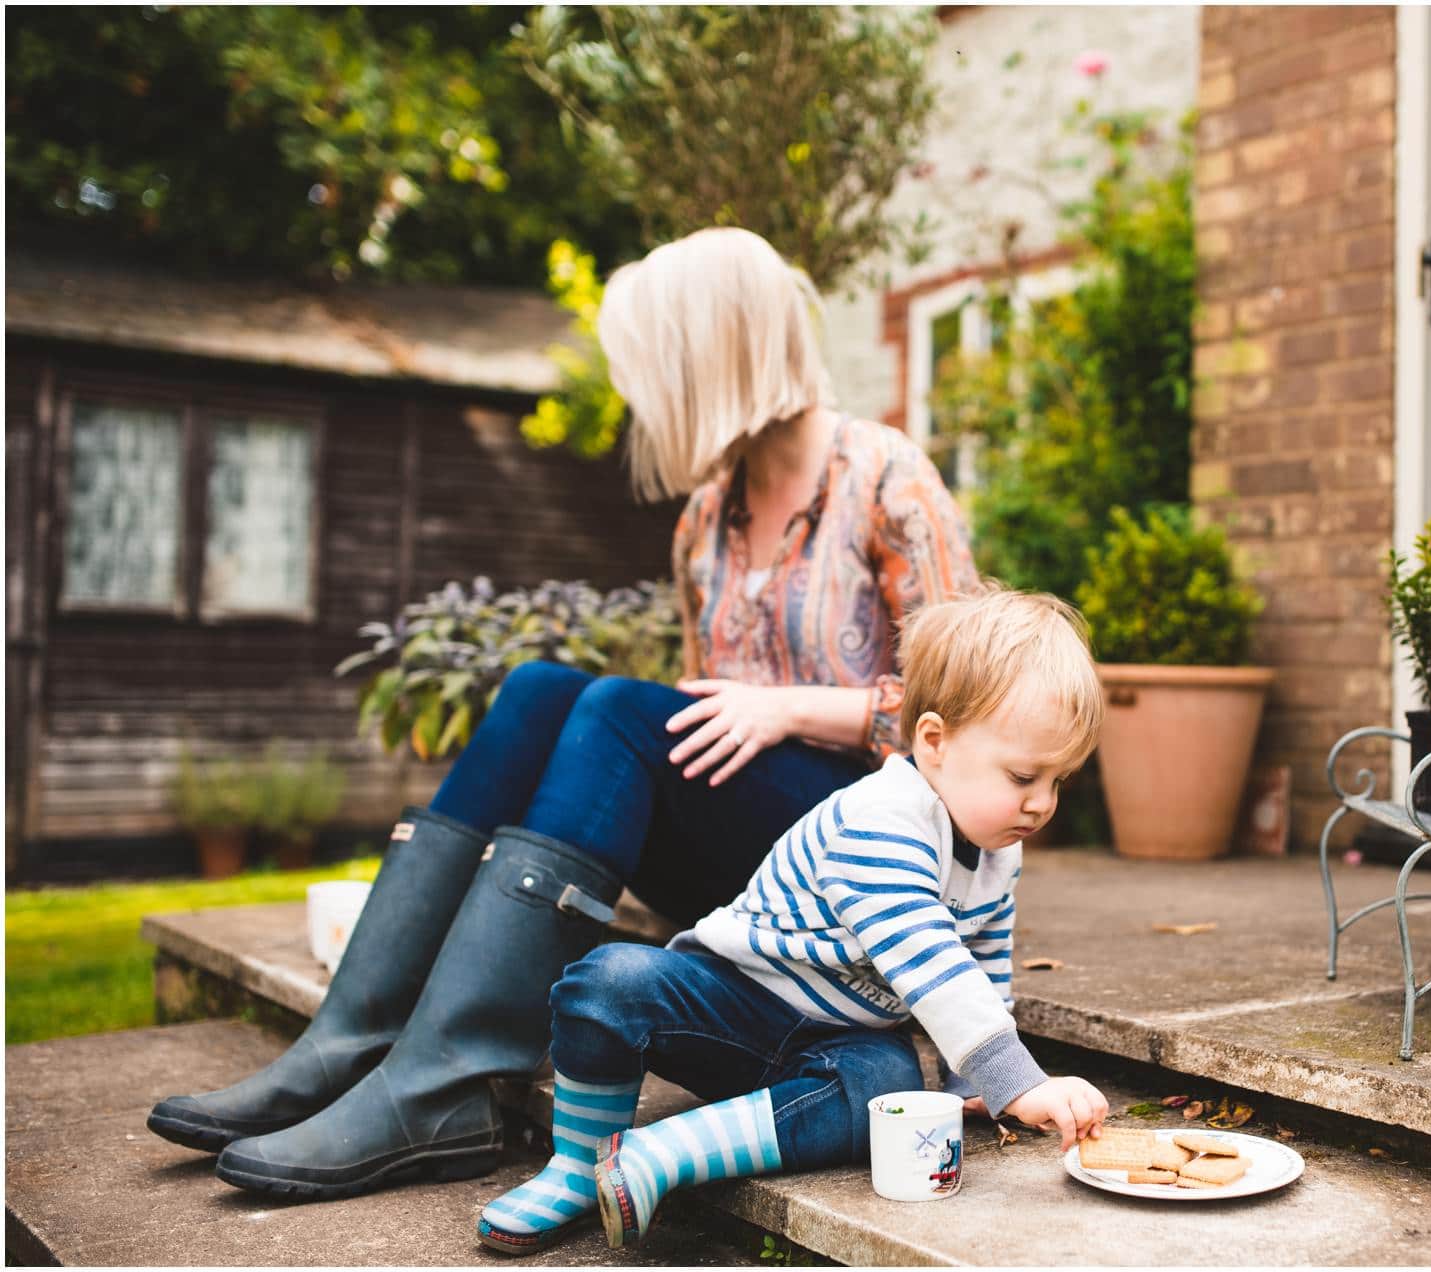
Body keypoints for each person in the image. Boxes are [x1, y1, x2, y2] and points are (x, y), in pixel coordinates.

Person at [145, 227, 980, 1200]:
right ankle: (353, 1041)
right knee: (543, 688)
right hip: (757, 860)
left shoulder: (888, 480)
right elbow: (699, 723)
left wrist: (789, 707)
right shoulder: (707, 518)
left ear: (713, 355)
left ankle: (433, 1087)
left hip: (876, 856)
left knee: (621, 709)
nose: (640, 396)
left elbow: (966, 718)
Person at [475, 587, 1111, 1254]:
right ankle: (579, 1166)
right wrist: (1017, 1081)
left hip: (836, 1039)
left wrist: (971, 1082)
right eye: (1023, 776)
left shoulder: (997, 854)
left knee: (884, 1088)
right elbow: (929, 960)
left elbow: (981, 961)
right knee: (607, 980)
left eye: (1058, 782)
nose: (1041, 805)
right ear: (935, 742)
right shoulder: (881, 820)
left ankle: (659, 1155)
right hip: (729, 1005)